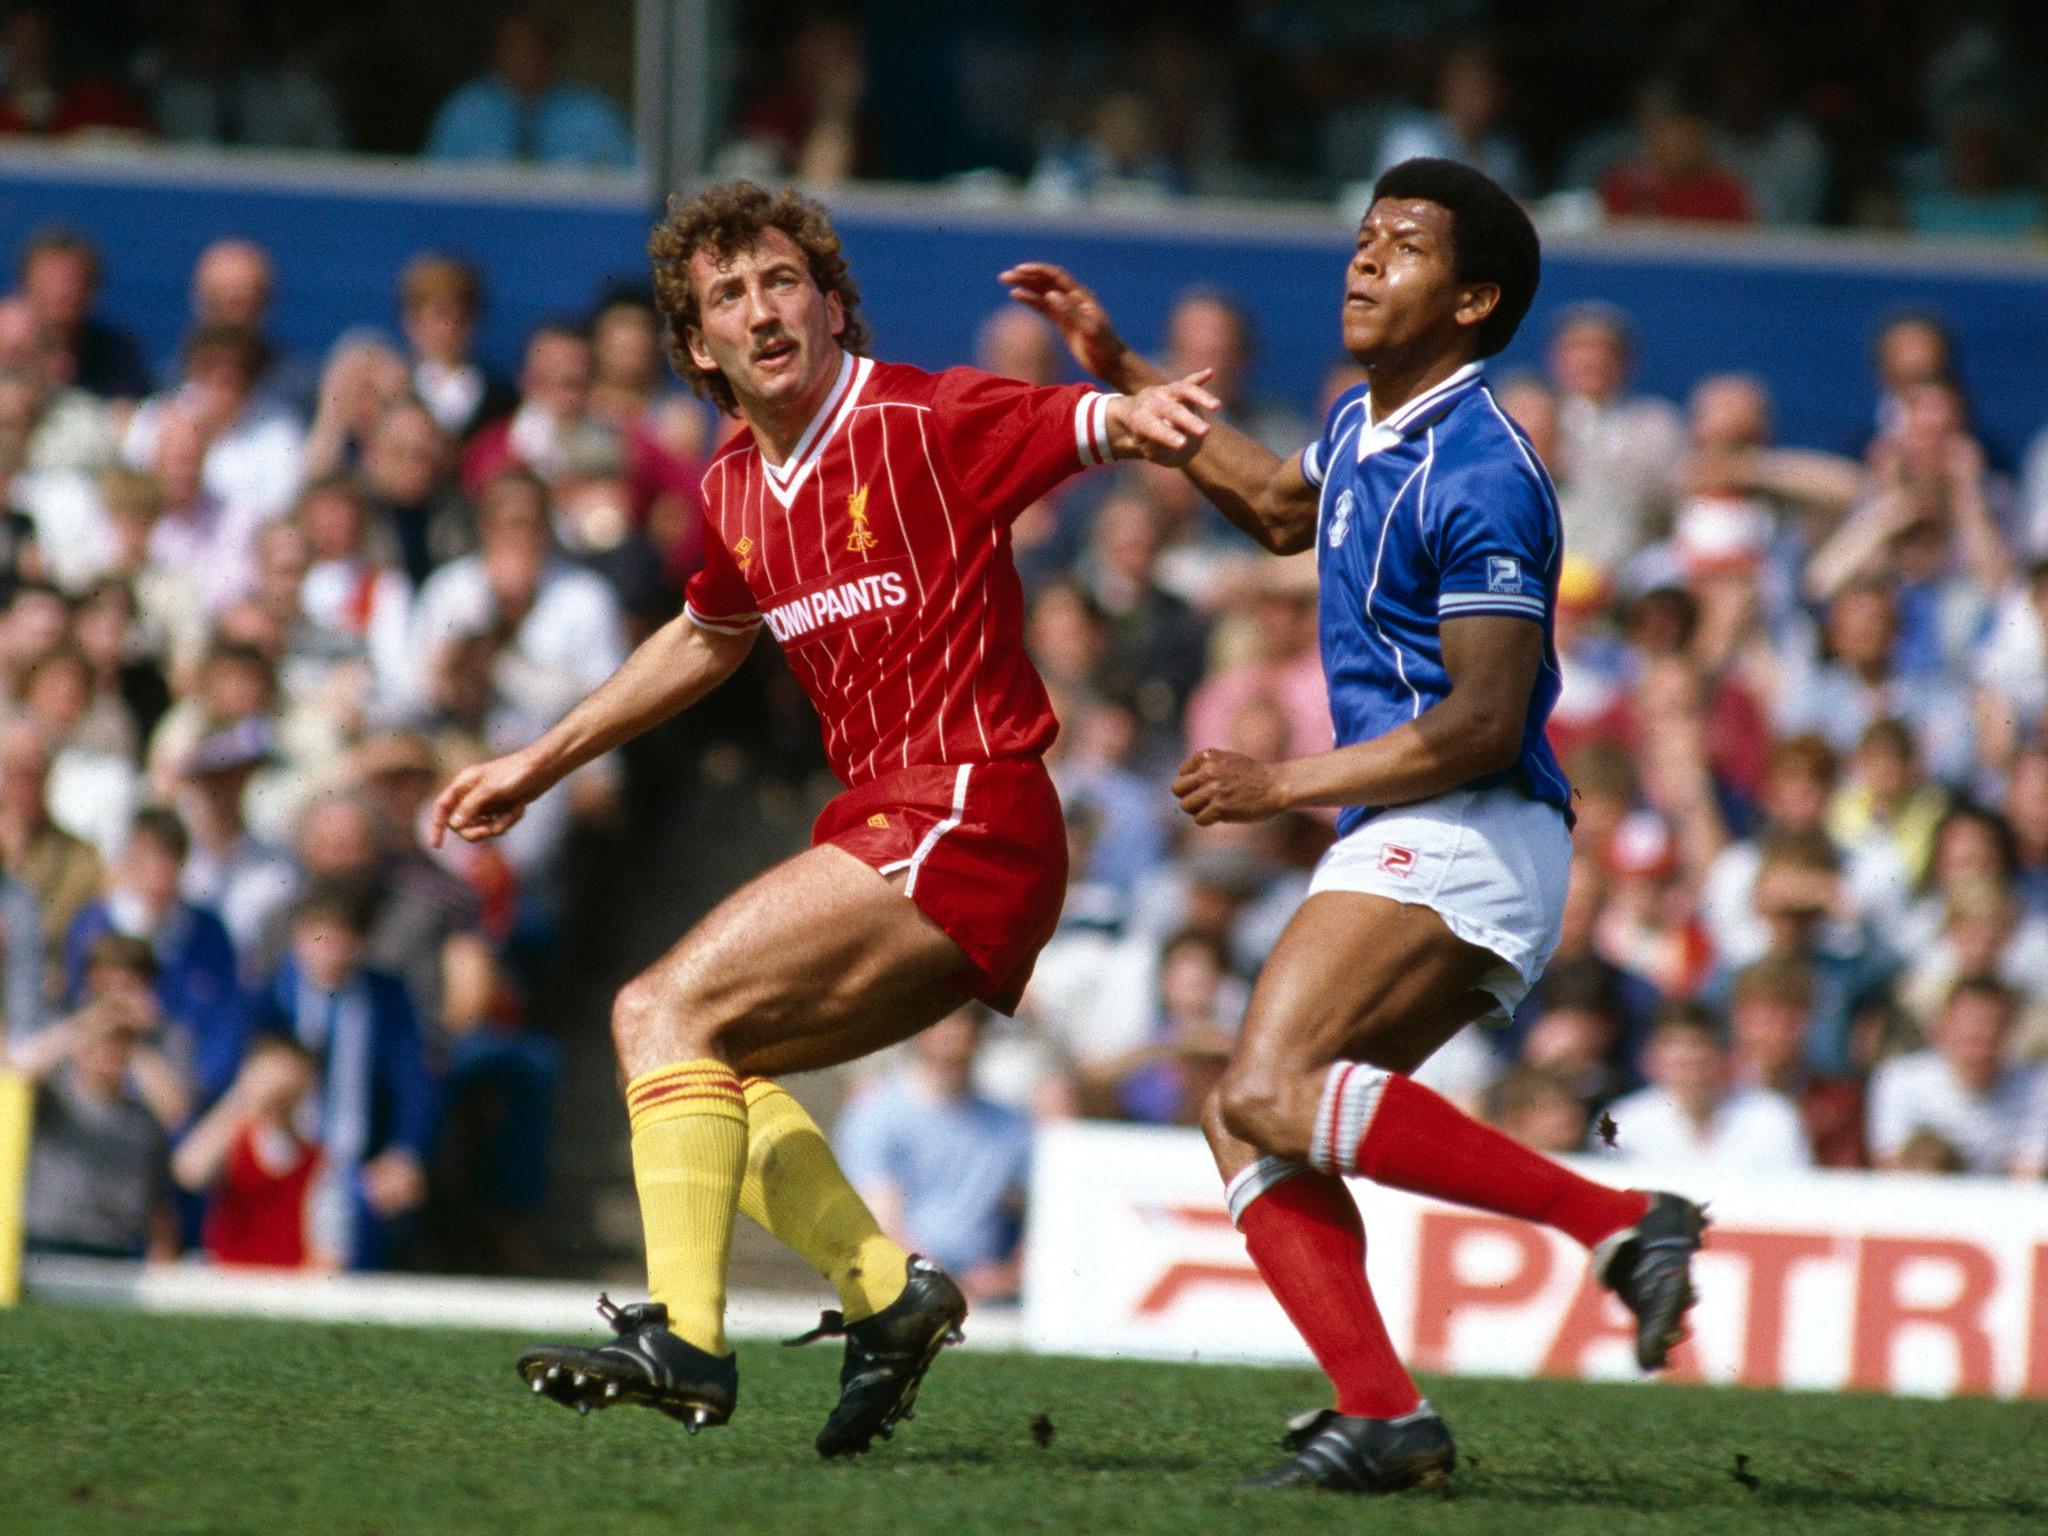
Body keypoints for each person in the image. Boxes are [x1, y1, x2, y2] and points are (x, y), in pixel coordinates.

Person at [429, 180, 1214, 1450]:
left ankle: (688, 1340)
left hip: (970, 808)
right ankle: (887, 1296)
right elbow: (704, 635)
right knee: (698, 1068)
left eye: (782, 280)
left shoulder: (922, 413)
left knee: (652, 1010)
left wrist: (1140, 408)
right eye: (726, 296)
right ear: (697, 347)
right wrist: (543, 757)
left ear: (832, 302)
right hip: (899, 830)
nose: (760, 308)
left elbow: (1085, 421)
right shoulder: (735, 484)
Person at [1006, 157, 1704, 1495]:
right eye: (1364, 234)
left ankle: (1621, 1216)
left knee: (1266, 1090)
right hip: (1421, 824)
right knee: (1250, 1116)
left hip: (1471, 820)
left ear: (1474, 298)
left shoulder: (1485, 471)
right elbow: (1277, 508)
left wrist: (1283, 784)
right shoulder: (1364, 422)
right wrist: (1123, 371)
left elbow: (1488, 721)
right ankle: (1383, 1412)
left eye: (1405, 245)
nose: (1365, 259)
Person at [834, 1008, 1033, 1302]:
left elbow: (1049, 1213)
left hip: (987, 1299)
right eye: (945, 1018)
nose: (956, 1032)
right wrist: (952, 1285)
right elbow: (881, 1228)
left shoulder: (1013, 1127)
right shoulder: (874, 1114)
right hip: (895, 1293)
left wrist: (1009, 1275)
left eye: (969, 1019)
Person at [424, 9, 634, 170]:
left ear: (551, 55)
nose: (524, 59)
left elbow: (634, 184)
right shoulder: (466, 112)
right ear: (496, 54)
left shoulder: (594, 114)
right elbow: (431, 187)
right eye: (514, 49)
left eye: (532, 49)